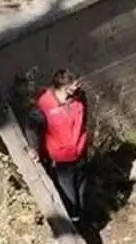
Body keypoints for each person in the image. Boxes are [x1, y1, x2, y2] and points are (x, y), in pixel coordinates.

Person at [26, 69, 90, 224]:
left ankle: (84, 220)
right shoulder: (44, 106)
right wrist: (34, 149)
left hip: (80, 154)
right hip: (61, 161)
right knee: (69, 197)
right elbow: (32, 128)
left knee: (82, 191)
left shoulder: (79, 98)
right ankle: (74, 224)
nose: (77, 88)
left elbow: (83, 119)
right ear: (63, 87)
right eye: (73, 86)